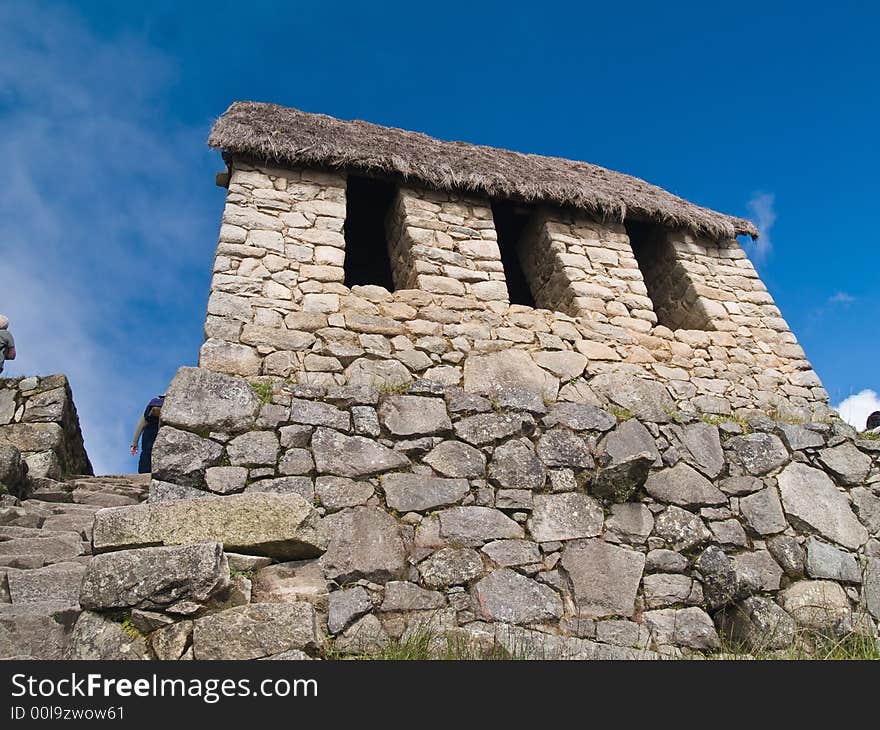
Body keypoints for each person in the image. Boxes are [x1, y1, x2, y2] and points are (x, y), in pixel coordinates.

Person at [130, 395, 166, 473]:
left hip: (149, 430)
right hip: (162, 431)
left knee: (146, 452)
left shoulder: (154, 402)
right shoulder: (173, 403)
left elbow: (142, 422)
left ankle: (144, 473)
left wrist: (134, 442)